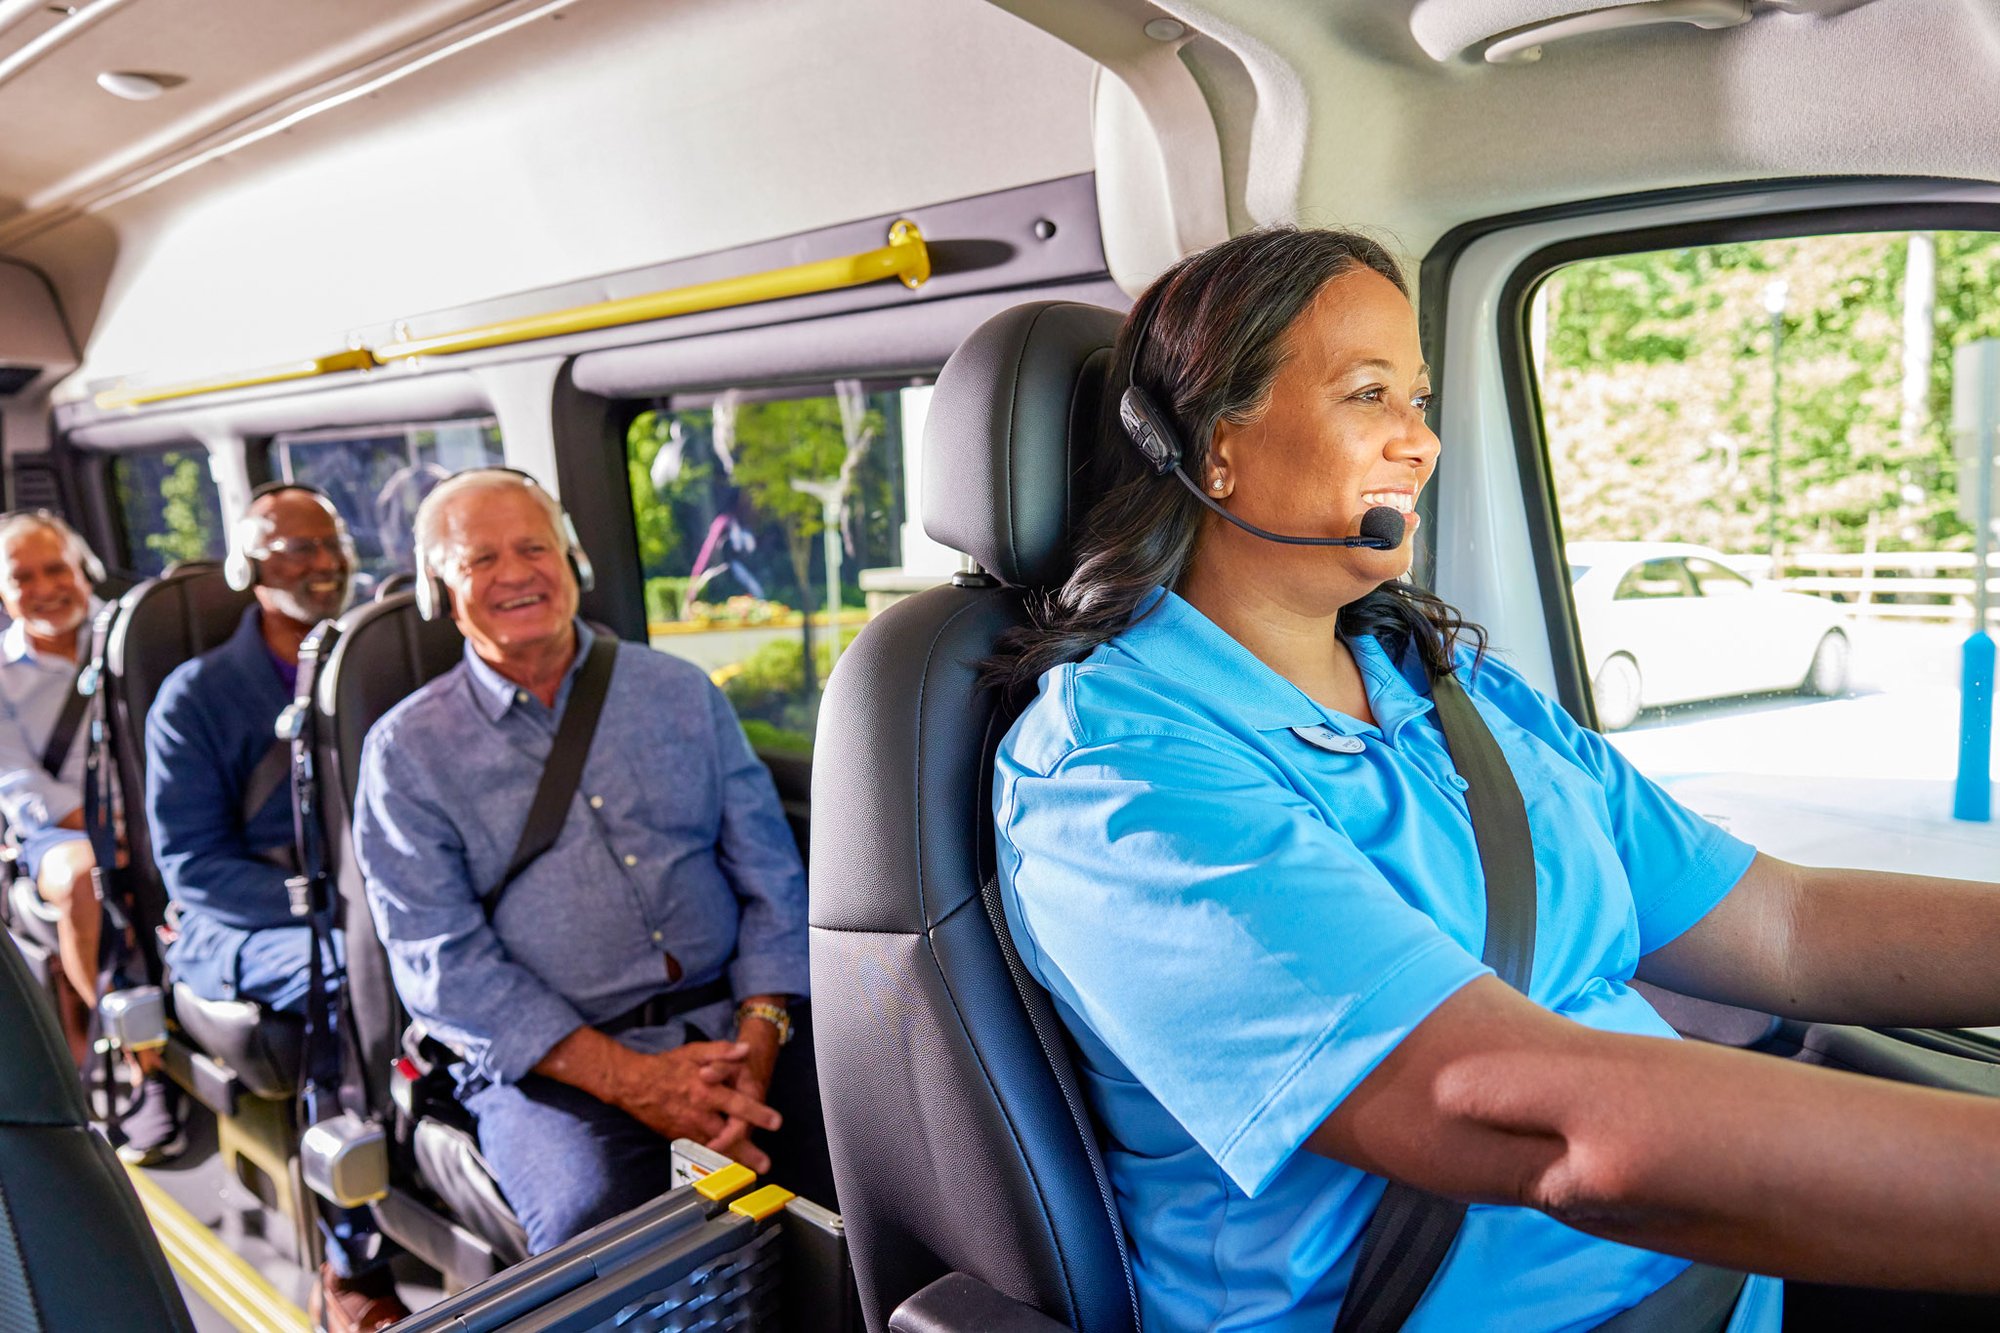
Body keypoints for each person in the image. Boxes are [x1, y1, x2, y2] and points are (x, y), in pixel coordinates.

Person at [986, 227, 2000, 1331]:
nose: (1416, 443)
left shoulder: (1454, 688)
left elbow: (1784, 925)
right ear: (1213, 445)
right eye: (1366, 394)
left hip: (1718, 1285)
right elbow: (1530, 1119)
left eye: (1415, 399)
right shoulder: (1117, 777)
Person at [353, 469, 814, 1256]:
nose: (516, 573)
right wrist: (638, 1082)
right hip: (551, 1065)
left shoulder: (680, 691)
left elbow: (772, 874)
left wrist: (758, 1041)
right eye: (481, 559)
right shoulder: (405, 753)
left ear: (572, 561)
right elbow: (442, 965)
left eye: (534, 547)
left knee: (892, 1153)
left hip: (738, 1025)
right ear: (439, 590)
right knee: (597, 1228)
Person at [146, 483, 406, 1333]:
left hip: (368, 898)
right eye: (296, 548)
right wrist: (326, 907)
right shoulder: (194, 697)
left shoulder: (374, 659)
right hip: (242, 920)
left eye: (331, 544)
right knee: (340, 979)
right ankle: (350, 1257)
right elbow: (191, 867)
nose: (324, 563)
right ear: (249, 566)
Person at [0, 511, 185, 1164]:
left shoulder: (130, 639)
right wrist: (107, 826)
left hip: (150, 814)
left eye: (58, 568)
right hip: (61, 834)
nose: (47, 586)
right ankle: (138, 1057)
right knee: (87, 876)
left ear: (85, 573)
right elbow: (19, 786)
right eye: (24, 576)